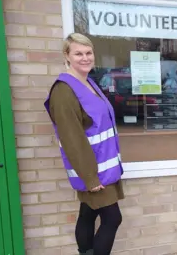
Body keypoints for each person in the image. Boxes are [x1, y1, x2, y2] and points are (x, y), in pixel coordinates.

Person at [44, 33, 124, 255]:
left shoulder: (88, 82)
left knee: (88, 212)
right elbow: (71, 138)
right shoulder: (63, 90)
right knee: (113, 218)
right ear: (67, 56)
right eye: (78, 53)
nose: (85, 58)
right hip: (92, 170)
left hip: (103, 167)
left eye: (88, 53)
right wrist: (90, 177)